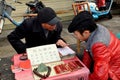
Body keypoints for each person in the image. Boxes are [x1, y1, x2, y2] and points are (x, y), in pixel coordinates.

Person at [68, 11, 120, 80]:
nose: (76, 37)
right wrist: (83, 70)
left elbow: (100, 76)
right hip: (106, 62)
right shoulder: (94, 28)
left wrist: (86, 78)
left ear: (86, 32)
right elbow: (88, 52)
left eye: (76, 34)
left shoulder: (98, 45)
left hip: (114, 71)